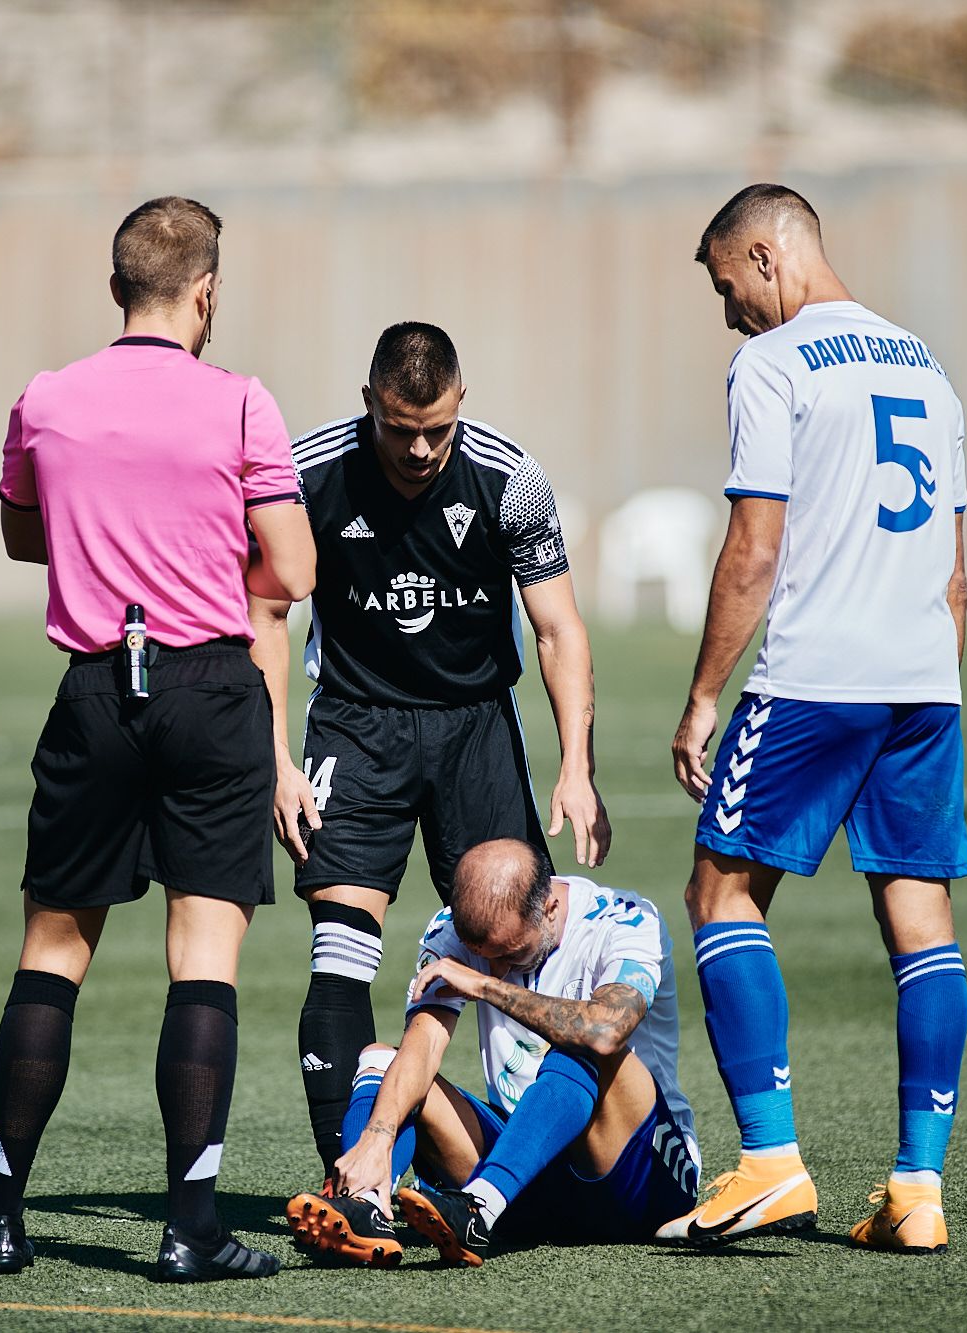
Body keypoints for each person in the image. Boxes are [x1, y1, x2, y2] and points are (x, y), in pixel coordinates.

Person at [0, 196, 316, 1283]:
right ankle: (189, 1228)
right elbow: (293, 573)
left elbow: (22, 532)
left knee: (51, 951)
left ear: (115, 284)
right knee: (201, 960)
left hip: (91, 691)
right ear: (205, 291)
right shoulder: (242, 403)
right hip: (210, 686)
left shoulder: (46, 397)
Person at [665, 185, 967, 1255]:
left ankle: (767, 1158)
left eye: (725, 287)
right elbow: (953, 568)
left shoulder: (774, 363)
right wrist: (933, 677)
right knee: (919, 921)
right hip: (923, 678)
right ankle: (916, 1188)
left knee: (718, 889)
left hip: (814, 678)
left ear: (764, 253)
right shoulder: (925, 367)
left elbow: (754, 547)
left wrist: (704, 693)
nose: (729, 312)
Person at [246, 322, 611, 1179]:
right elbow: (266, 613)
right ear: (368, 400)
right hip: (356, 724)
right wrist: (275, 760)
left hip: (475, 724)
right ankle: (350, 1180)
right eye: (400, 426)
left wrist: (577, 766)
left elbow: (558, 628)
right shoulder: (306, 478)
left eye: (437, 428)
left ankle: (521, 1167)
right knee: (340, 942)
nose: (418, 447)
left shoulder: (509, 480)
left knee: (511, 939)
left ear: (461, 404)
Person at [284, 839, 696, 1267]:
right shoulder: (448, 931)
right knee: (383, 1059)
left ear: (550, 908)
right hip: (527, 1180)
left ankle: (477, 1209)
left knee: (584, 1043)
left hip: (643, 1184)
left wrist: (483, 986)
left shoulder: (625, 920)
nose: (498, 967)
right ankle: (366, 1210)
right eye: (485, 957)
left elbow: (608, 1030)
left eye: (511, 953)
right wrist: (378, 1137)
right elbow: (422, 1047)